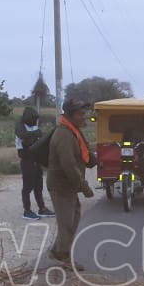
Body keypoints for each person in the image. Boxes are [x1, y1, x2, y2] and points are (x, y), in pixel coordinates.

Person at [47, 99, 95, 271]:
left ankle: (56, 252)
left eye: (84, 113)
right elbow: (68, 165)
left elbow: (81, 155)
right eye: (80, 114)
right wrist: (84, 186)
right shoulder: (64, 135)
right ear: (70, 115)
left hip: (68, 186)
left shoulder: (72, 131)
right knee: (67, 223)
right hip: (61, 186)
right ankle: (65, 258)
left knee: (73, 219)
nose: (84, 117)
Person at [15, 106, 56, 220]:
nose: (34, 121)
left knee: (38, 186)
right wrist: (36, 134)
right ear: (28, 118)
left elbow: (38, 137)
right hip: (26, 158)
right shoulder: (20, 126)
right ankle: (27, 211)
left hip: (36, 159)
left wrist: (35, 136)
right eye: (33, 119)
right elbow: (23, 136)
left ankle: (42, 208)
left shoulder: (33, 127)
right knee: (27, 187)